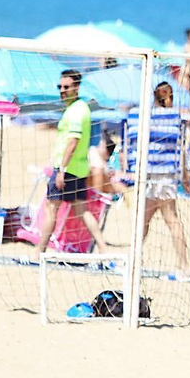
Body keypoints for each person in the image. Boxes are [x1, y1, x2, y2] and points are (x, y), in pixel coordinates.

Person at [34, 69, 108, 256]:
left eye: (66, 87)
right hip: (78, 169)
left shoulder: (76, 111)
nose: (62, 90)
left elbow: (73, 142)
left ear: (76, 88)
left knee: (52, 209)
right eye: (59, 87)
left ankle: (38, 253)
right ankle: (103, 249)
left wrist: (61, 170)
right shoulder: (80, 108)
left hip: (67, 169)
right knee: (82, 211)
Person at [136, 80, 190, 270]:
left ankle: (134, 260)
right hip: (167, 175)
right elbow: (182, 150)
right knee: (170, 219)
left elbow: (137, 146)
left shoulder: (146, 117)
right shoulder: (176, 118)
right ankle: (183, 265)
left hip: (151, 174)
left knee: (145, 220)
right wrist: (185, 175)